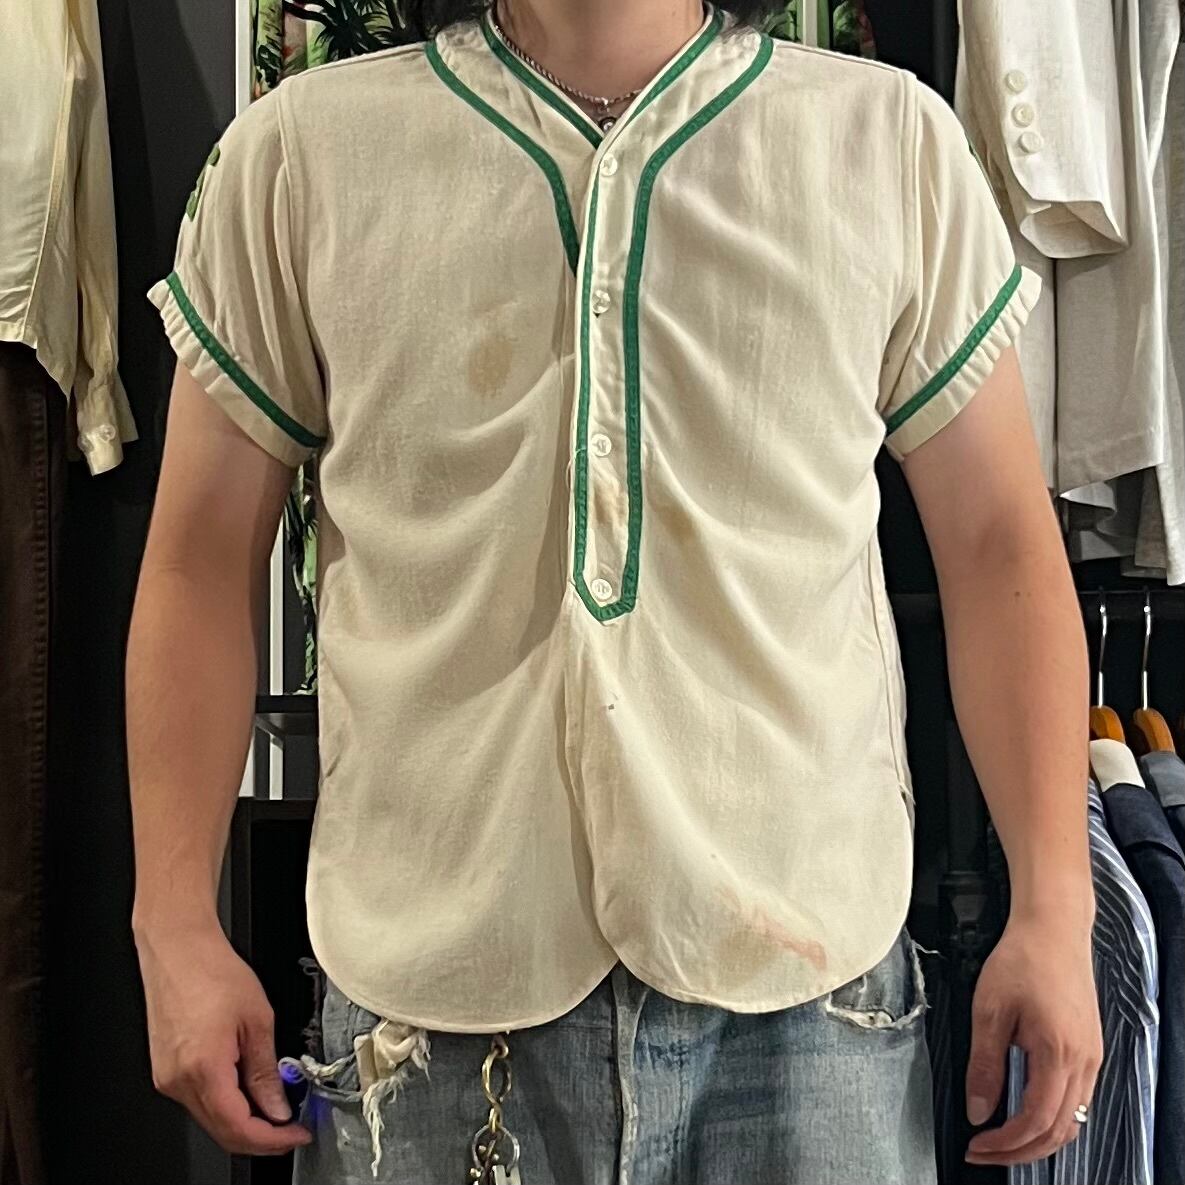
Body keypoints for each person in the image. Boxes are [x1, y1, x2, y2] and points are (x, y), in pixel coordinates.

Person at [126, 1, 1104, 1182]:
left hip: (809, 1010)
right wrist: (171, 923)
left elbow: (1000, 548)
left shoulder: (888, 144)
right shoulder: (300, 156)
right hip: (430, 1016)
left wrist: (1059, 906)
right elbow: (197, 561)